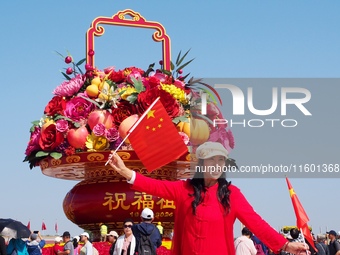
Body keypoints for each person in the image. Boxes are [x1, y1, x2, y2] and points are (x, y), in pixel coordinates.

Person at [108, 141, 310, 255]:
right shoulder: (184, 189)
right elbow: (156, 186)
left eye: (221, 160)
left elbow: (256, 223)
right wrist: (127, 172)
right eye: (211, 160)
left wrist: (285, 245)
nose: (217, 165)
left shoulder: (232, 195)